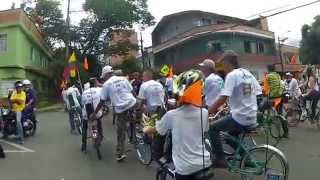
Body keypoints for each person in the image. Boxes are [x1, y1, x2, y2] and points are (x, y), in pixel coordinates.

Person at [208, 51, 262, 168]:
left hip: (240, 117)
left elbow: (223, 97)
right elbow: (256, 92)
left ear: (228, 62)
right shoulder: (248, 73)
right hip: (252, 116)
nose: (223, 68)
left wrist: (208, 111)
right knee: (230, 136)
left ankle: (220, 159)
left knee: (212, 128)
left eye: (223, 64)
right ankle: (247, 159)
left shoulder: (232, 75)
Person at [156, 69, 212, 180]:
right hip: (205, 162)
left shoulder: (171, 115)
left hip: (185, 168)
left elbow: (159, 131)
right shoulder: (204, 113)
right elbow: (204, 131)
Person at [90, 65, 136, 162]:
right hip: (132, 103)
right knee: (139, 120)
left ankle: (120, 154)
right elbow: (132, 91)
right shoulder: (123, 79)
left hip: (121, 108)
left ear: (106, 75)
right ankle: (141, 133)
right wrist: (138, 102)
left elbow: (102, 101)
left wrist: (94, 113)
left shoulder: (106, 84)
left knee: (120, 132)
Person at [138, 69, 166, 160]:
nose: (142, 78)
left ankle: (154, 151)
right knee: (160, 130)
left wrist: (139, 109)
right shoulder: (159, 84)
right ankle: (159, 149)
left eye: (143, 76)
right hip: (162, 109)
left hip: (152, 111)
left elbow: (141, 101)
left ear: (146, 76)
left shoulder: (144, 85)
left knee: (151, 129)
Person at [81, 78, 103, 153]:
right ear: (95, 84)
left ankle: (84, 145)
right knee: (99, 122)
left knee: (84, 127)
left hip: (87, 115)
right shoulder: (98, 90)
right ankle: (100, 137)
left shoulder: (84, 93)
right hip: (96, 114)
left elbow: (82, 104)